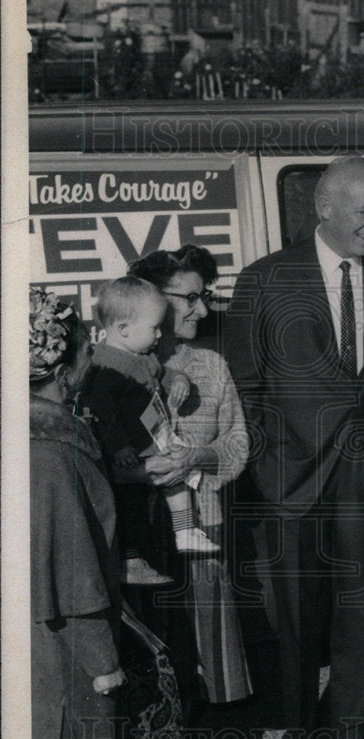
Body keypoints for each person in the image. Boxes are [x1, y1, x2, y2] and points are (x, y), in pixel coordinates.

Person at [223, 155, 364, 739]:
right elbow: (245, 388)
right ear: (325, 207)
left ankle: (355, 730)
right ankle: (299, 736)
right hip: (289, 477)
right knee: (297, 613)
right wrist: (260, 470)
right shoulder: (264, 281)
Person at [29, 289, 126, 739]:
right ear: (64, 369)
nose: (93, 356)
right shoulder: (52, 454)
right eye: (86, 347)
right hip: (52, 636)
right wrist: (104, 662)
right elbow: (77, 575)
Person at [125, 244, 253, 709]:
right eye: (191, 298)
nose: (202, 308)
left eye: (205, 296)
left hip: (204, 526)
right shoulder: (117, 367)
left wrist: (196, 457)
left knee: (205, 644)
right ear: (153, 299)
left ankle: (208, 734)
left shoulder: (210, 366)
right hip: (141, 537)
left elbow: (238, 442)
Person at [85, 275, 219, 587]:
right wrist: (118, 448)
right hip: (130, 452)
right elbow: (102, 413)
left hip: (155, 438)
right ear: (123, 329)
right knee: (129, 508)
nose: (160, 334)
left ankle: (185, 532)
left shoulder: (143, 356)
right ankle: (131, 561)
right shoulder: (105, 366)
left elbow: (163, 373)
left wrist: (178, 380)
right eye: (154, 328)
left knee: (179, 481)